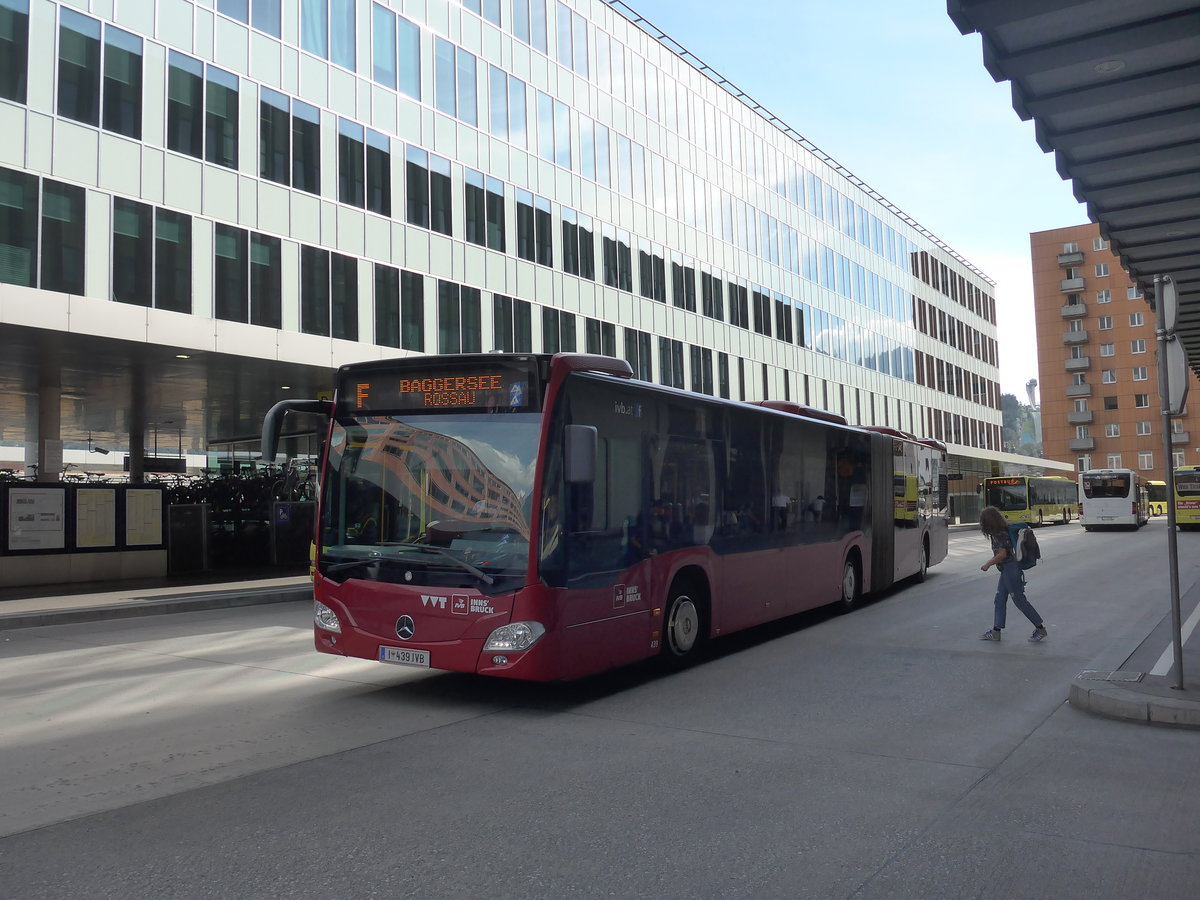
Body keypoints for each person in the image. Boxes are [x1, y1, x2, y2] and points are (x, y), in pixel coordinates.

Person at [978, 505, 1048, 642]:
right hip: (1007, 570)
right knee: (999, 599)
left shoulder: (998, 534)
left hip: (1010, 569)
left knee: (1019, 600)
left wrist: (987, 564)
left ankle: (1040, 629)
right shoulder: (1003, 530)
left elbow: (1002, 554)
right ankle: (996, 631)